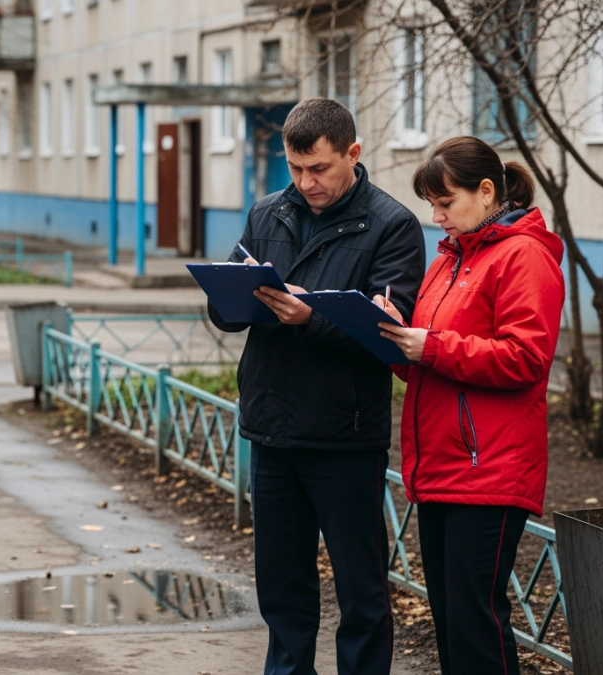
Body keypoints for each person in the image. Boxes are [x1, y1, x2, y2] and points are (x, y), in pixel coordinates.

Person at [208, 97, 426, 674]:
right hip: (272, 427)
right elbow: (230, 305)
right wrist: (225, 299)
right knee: (282, 589)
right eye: (295, 168)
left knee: (361, 593)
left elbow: (389, 335)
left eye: (319, 169)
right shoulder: (267, 213)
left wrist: (312, 318)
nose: (305, 183)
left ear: (352, 154)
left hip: (343, 436)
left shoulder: (393, 225)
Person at [376, 136, 565, 675]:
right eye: (431, 205)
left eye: (445, 203)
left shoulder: (524, 255)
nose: (436, 217)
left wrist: (429, 345)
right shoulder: (449, 258)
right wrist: (390, 337)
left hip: (489, 468)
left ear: (486, 193)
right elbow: (430, 361)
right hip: (441, 463)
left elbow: (527, 358)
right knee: (453, 619)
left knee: (476, 621)